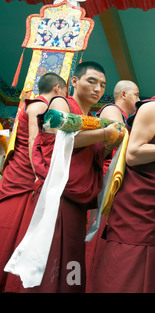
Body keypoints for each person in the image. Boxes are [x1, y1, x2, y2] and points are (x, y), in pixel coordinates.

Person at [20, 61, 124, 293]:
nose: (98, 88)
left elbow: (92, 158)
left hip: (78, 202)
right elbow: (61, 140)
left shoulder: (93, 118)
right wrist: (104, 133)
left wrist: (108, 143)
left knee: (71, 263)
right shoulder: (61, 103)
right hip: (58, 196)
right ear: (74, 82)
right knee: (50, 259)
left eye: (102, 85)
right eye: (92, 81)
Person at [92, 72, 155, 293]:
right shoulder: (153, 108)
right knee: (127, 276)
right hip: (137, 211)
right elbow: (134, 154)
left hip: (154, 209)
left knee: (150, 276)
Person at [0, 72, 67, 292]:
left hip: (26, 176)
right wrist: (40, 174)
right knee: (9, 231)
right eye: (65, 93)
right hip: (24, 177)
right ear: (58, 89)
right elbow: (33, 142)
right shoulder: (39, 105)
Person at [84, 80, 140, 292]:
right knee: (97, 238)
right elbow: (119, 137)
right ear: (124, 94)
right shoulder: (111, 110)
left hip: (120, 181)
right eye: (136, 95)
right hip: (108, 181)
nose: (138, 100)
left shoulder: (126, 117)